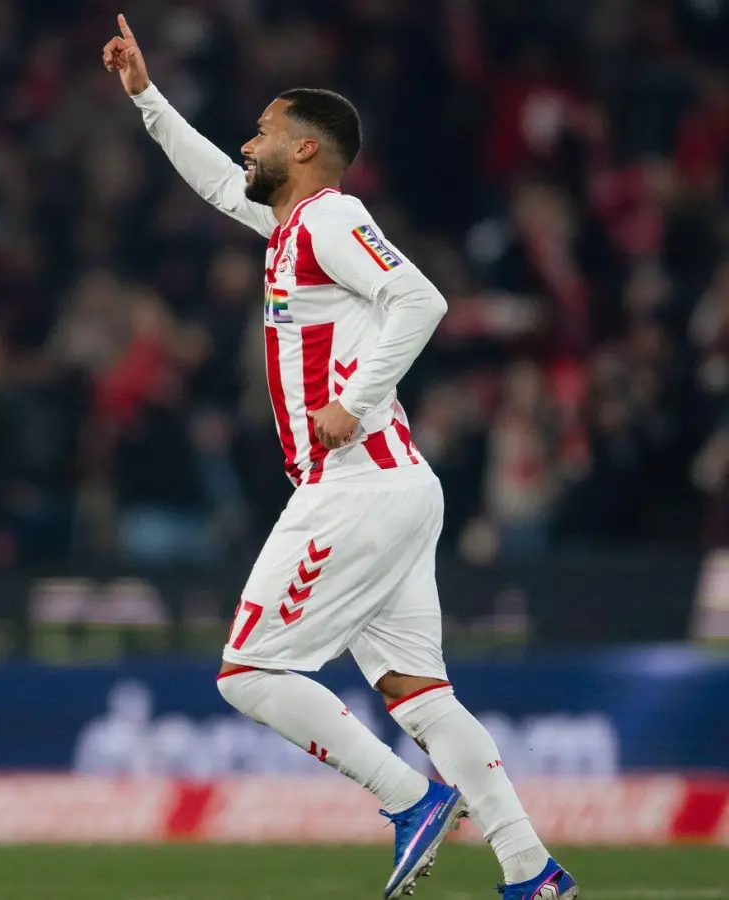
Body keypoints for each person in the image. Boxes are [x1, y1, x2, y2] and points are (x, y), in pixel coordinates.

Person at [104, 15, 577, 900]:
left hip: (357, 482)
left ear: (308, 147)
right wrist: (148, 100)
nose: (247, 143)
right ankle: (532, 871)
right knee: (420, 694)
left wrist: (352, 405)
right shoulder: (288, 229)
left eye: (263, 131)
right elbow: (218, 185)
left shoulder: (330, 217)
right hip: (390, 487)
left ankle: (408, 801)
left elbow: (420, 297)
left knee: (248, 671)